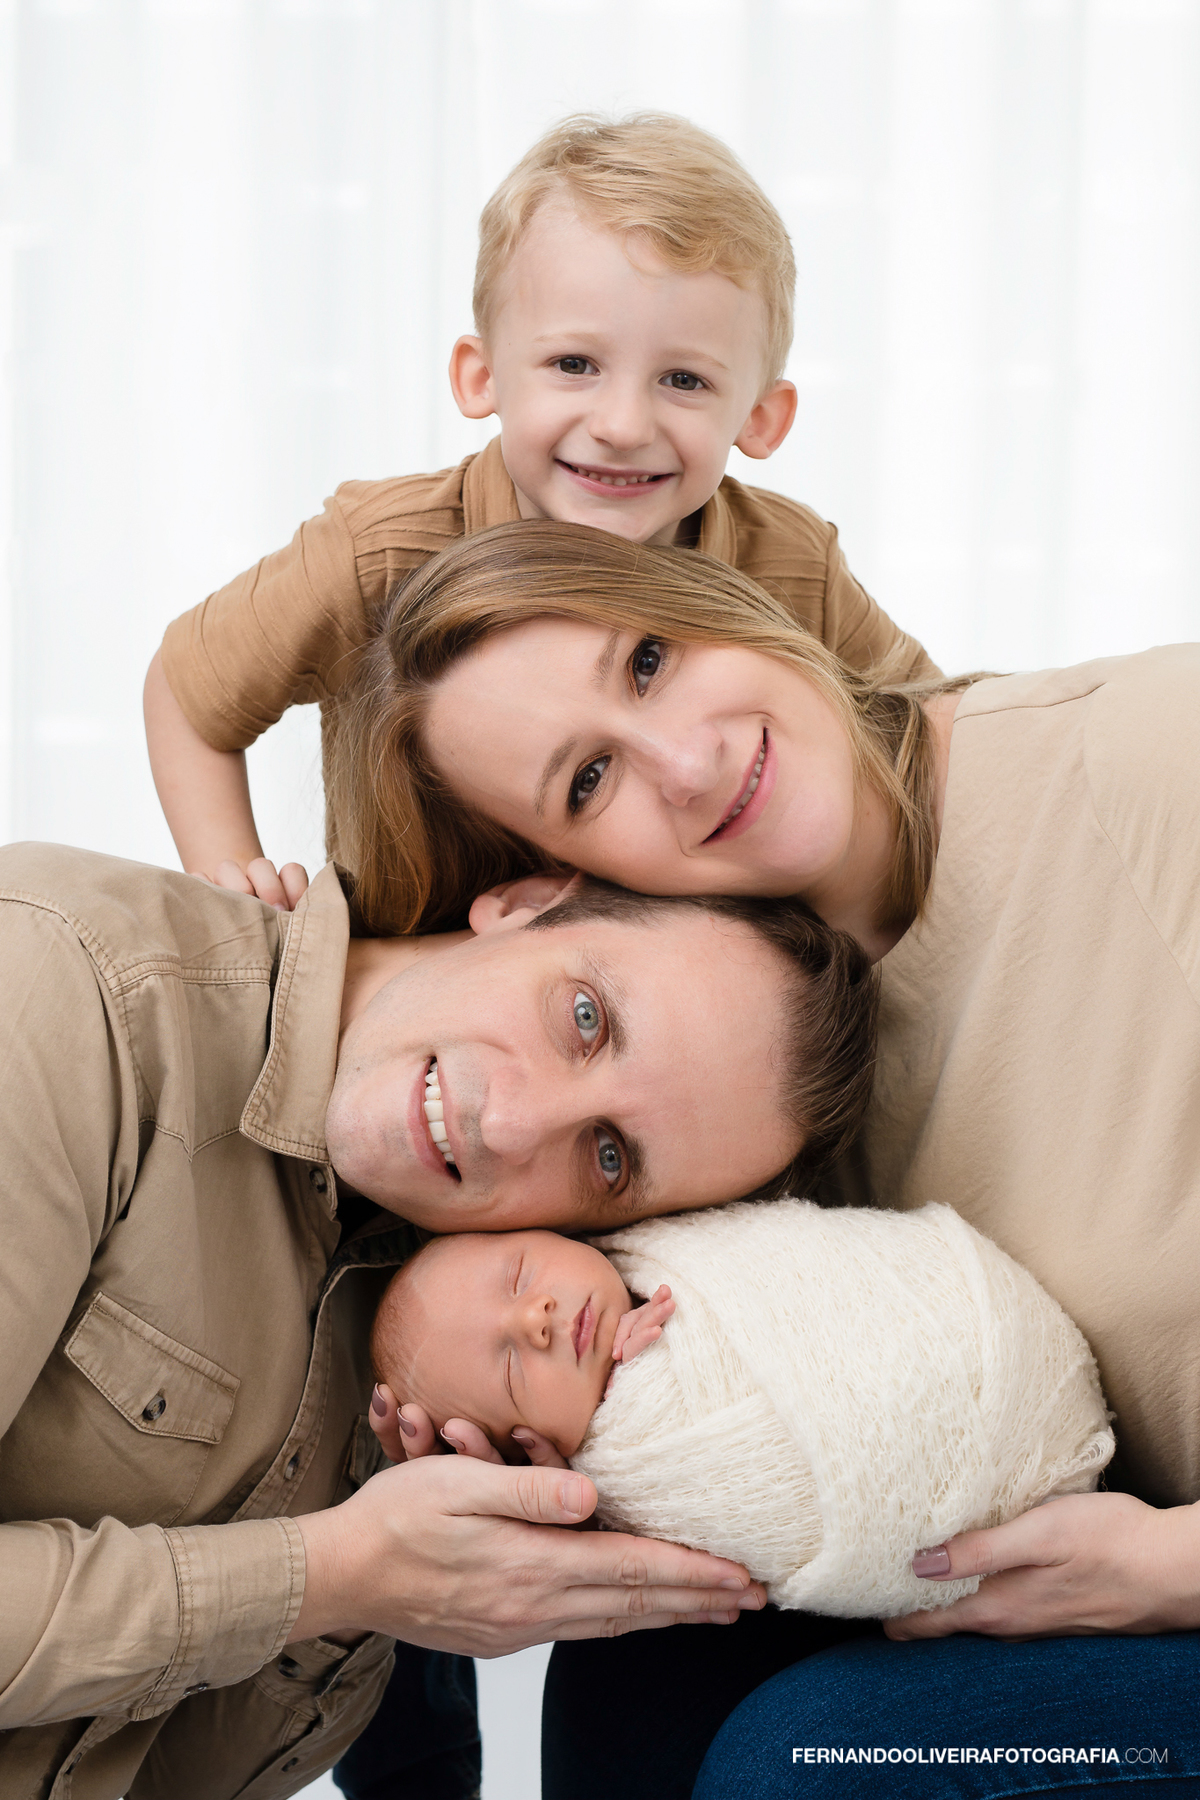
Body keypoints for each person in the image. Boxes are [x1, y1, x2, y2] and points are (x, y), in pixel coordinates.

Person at [326, 522, 1200, 1796]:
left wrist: (1168, 1571)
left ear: (712, 598)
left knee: (815, 1765)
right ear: (547, 882)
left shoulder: (1143, 763)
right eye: (587, 784)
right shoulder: (717, 1080)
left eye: (649, 661)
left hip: (1163, 1585)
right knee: (636, 1674)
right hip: (1074, 1574)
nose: (690, 757)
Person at [0, 839, 878, 1798]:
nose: (505, 1126)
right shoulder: (66, 988)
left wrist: (389, 1595)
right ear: (528, 902)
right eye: (585, 1018)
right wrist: (337, 1573)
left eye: (610, 1157)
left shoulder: (429, 1338)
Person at [142, 112, 936, 915]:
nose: (623, 425)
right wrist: (236, 892)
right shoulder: (375, 551)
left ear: (761, 419)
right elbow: (188, 691)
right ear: (480, 376)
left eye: (685, 381)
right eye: (574, 364)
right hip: (427, 962)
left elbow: (931, 722)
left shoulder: (789, 557)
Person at [368, 1205, 1112, 1618]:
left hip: (992, 1319)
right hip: (986, 1503)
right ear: (518, 1449)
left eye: (520, 1274)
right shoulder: (626, 1467)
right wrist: (640, 1384)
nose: (536, 1319)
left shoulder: (659, 1250)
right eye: (509, 1366)